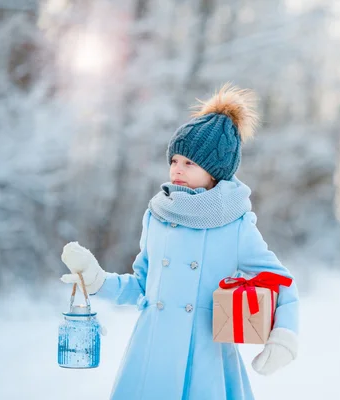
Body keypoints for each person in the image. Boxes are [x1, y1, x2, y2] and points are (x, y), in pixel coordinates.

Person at [59, 83, 299, 400]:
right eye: (174, 160)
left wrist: (284, 337)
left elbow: (282, 281)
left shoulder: (235, 224)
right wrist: (97, 279)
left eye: (189, 163)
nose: (177, 170)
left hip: (205, 360)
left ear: (215, 172)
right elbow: (143, 288)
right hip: (150, 356)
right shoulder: (157, 216)